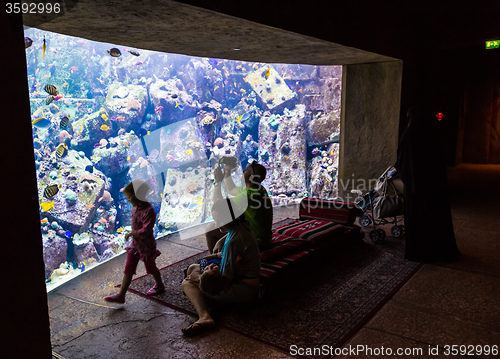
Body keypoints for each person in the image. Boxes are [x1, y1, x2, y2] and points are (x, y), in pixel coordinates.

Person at [181, 198, 261, 336]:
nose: (216, 224)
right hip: (244, 282)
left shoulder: (233, 242)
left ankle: (204, 316)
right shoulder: (243, 225)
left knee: (187, 281)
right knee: (193, 267)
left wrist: (199, 279)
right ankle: (208, 302)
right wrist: (221, 239)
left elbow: (225, 279)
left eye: (219, 220)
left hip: (243, 289)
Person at [395, 106, 460, 262]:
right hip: (434, 188)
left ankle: (418, 252)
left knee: (418, 220)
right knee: (433, 220)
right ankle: (437, 250)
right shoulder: (432, 134)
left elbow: (403, 163)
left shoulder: (409, 136)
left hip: (415, 190)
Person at [104, 180, 165, 303]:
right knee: (129, 268)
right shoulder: (135, 207)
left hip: (147, 245)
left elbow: (147, 229)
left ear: (138, 196)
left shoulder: (149, 211)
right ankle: (121, 295)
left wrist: (134, 233)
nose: (128, 200)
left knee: (151, 267)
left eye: (130, 197)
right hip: (135, 244)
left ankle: (160, 285)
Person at [206, 157, 273, 253]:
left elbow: (218, 204)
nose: (243, 171)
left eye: (246, 171)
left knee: (210, 230)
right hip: (255, 235)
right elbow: (231, 189)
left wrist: (217, 182)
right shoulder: (257, 188)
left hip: (258, 241)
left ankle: (217, 262)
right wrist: (227, 170)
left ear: (251, 177)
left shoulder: (250, 196)